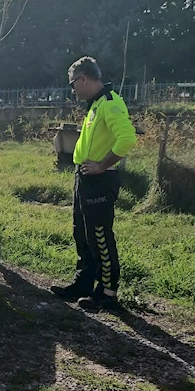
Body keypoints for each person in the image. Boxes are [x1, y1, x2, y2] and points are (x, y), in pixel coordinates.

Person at [50, 56, 137, 311]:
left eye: (73, 83)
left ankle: (107, 293)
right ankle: (84, 283)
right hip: (85, 178)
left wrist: (102, 165)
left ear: (84, 78)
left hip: (100, 179)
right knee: (83, 233)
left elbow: (127, 138)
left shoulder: (110, 103)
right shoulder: (96, 104)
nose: (72, 88)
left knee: (99, 235)